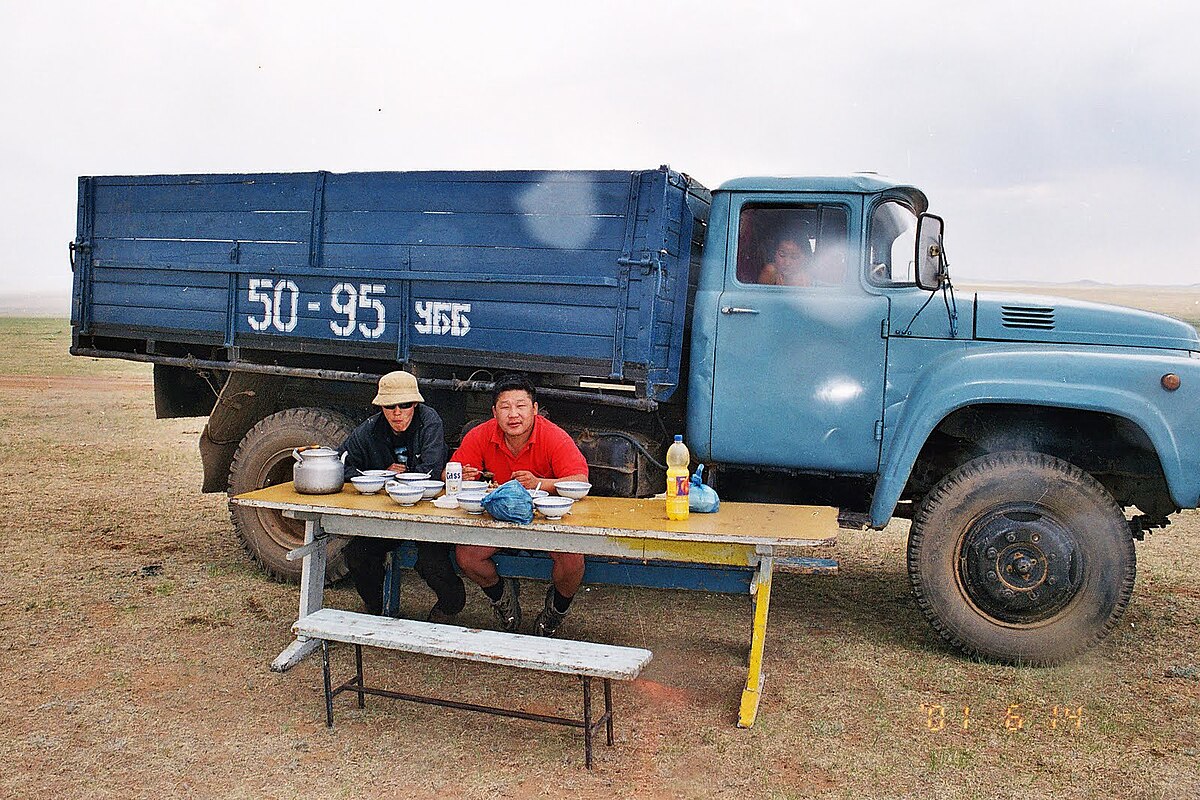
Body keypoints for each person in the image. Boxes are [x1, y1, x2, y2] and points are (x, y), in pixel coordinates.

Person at [450, 374, 589, 637]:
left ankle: (555, 612)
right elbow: (451, 473)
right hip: (498, 520)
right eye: (505, 407)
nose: (513, 414)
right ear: (494, 412)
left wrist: (540, 483)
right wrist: (461, 475)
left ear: (534, 409)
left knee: (573, 561)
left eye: (521, 406)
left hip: (545, 520)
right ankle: (503, 600)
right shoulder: (481, 434)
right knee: (466, 557)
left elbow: (580, 479)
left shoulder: (553, 436)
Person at [339, 370, 465, 623]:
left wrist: (398, 475)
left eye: (404, 405)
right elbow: (340, 462)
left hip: (427, 513)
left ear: (415, 405)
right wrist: (377, 474)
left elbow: (431, 467)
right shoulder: (370, 429)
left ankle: (451, 604)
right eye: (390, 406)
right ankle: (376, 609)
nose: (397, 412)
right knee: (357, 553)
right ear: (381, 407)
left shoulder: (430, 421)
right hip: (388, 514)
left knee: (432, 560)